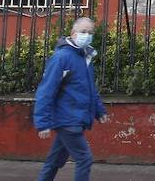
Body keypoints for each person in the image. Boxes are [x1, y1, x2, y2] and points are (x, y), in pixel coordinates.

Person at [33, 16, 110, 181]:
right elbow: (46, 91)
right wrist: (42, 123)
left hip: (74, 118)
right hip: (68, 119)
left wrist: (99, 111)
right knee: (85, 159)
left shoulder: (84, 58)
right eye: (83, 31)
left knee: (54, 161)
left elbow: (90, 89)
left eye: (90, 32)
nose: (87, 35)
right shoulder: (62, 58)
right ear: (73, 33)